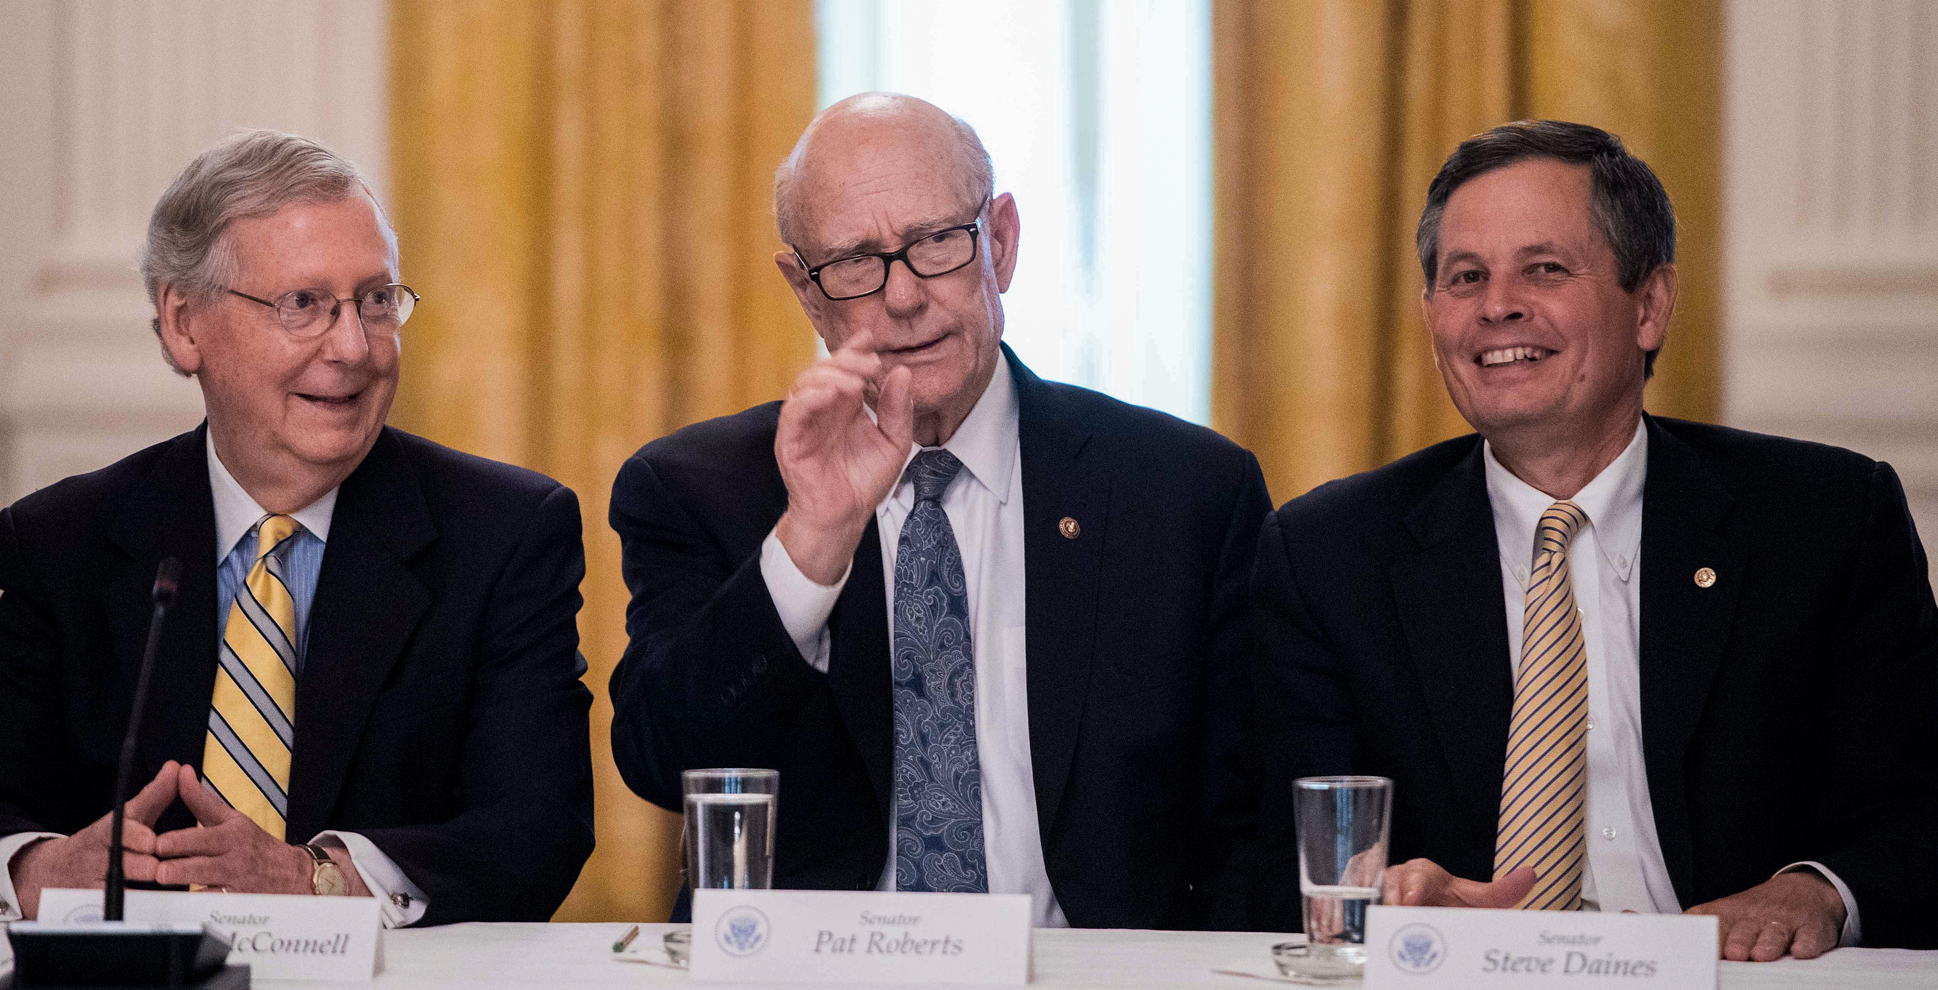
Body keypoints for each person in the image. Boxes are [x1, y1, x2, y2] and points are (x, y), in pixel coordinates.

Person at [1255, 120, 1938, 958]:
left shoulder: (1827, 519)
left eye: (1543, 268)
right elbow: (1269, 847)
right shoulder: (1329, 552)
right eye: (1465, 276)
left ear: (1649, 306)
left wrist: (1818, 888)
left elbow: (1918, 806)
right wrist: (1391, 896)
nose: (1497, 304)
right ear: (1432, 320)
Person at [609, 93, 1269, 928]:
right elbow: (662, 761)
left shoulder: (1183, 494)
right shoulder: (699, 488)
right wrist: (810, 541)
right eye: (855, 261)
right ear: (806, 291)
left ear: (999, 241)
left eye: (935, 245)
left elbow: (1246, 832)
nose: (904, 297)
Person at [0, 130, 594, 927]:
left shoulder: (505, 534)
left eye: (376, 300)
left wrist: (317, 880)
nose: (354, 347)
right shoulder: (66, 541)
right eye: (303, 305)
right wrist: (37, 868)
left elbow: (537, 833)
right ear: (185, 325)